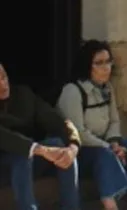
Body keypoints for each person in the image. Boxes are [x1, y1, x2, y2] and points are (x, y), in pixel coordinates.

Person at [56, 40, 127, 210]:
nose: (106, 67)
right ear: (87, 65)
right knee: (105, 156)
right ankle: (110, 206)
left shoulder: (107, 88)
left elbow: (114, 121)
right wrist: (108, 148)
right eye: (99, 63)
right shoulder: (73, 91)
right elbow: (78, 133)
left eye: (108, 61)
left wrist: (114, 143)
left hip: (103, 144)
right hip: (80, 151)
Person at [0, 62, 82, 210]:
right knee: (22, 154)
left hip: (29, 163)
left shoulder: (23, 95)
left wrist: (73, 145)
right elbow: (6, 138)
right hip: (5, 166)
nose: (3, 84)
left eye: (4, 77)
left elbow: (57, 120)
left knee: (58, 145)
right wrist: (41, 150)